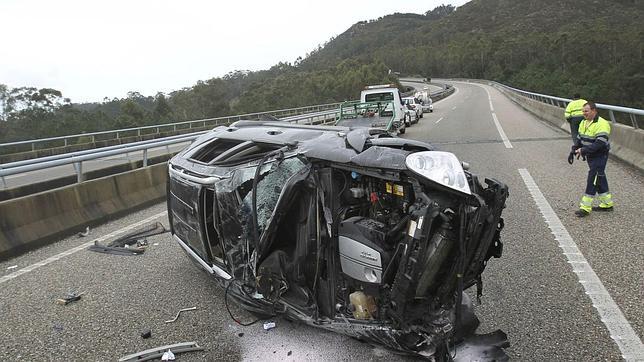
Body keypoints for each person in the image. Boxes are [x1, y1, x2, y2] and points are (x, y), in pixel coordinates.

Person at [569, 101, 614, 217]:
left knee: (592, 178)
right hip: (590, 156)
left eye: (586, 111)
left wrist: (583, 150)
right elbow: (580, 139)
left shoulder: (602, 124)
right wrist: (574, 149)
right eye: (583, 111)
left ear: (594, 111)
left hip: (600, 155)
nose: (584, 113)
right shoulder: (583, 122)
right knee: (599, 177)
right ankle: (607, 204)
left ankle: (585, 207)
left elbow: (600, 143)